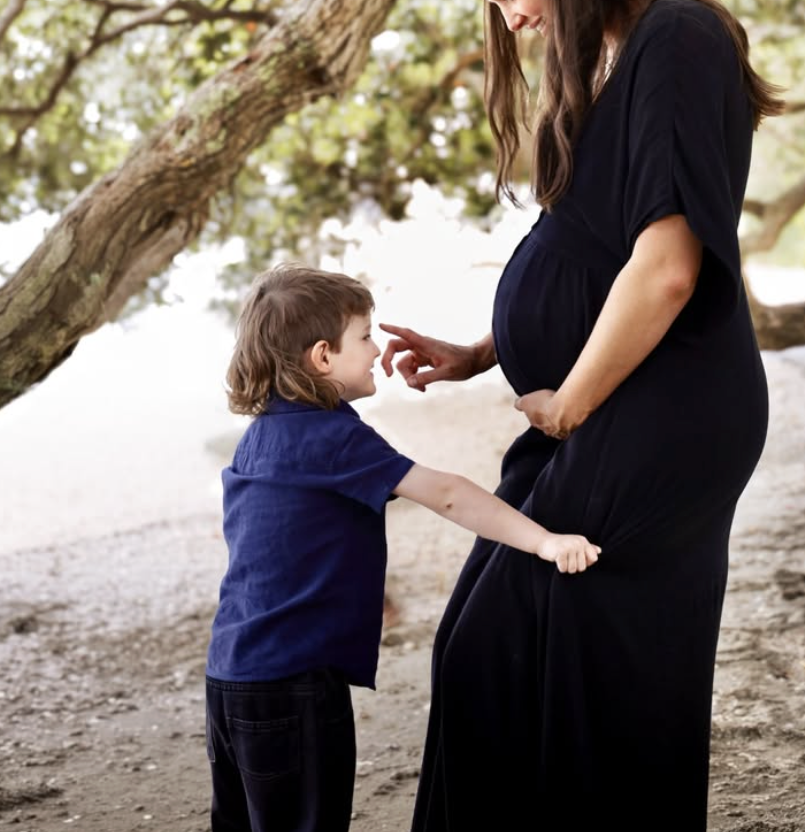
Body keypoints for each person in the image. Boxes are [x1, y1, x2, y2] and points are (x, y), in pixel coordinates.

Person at [381, 0, 781, 831]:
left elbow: (668, 266)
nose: (511, 21)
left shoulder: (679, 39)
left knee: (529, 654)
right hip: (618, 407)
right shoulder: (624, 58)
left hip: (656, 410)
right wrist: (483, 351)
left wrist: (571, 403)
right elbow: (598, 254)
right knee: (535, 656)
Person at [203, 262, 600, 832]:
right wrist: (544, 541)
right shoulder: (332, 435)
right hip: (293, 688)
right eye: (363, 337)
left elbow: (276, 543)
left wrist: (364, 591)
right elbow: (446, 494)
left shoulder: (260, 437)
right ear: (321, 357)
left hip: (230, 679)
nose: (374, 350)